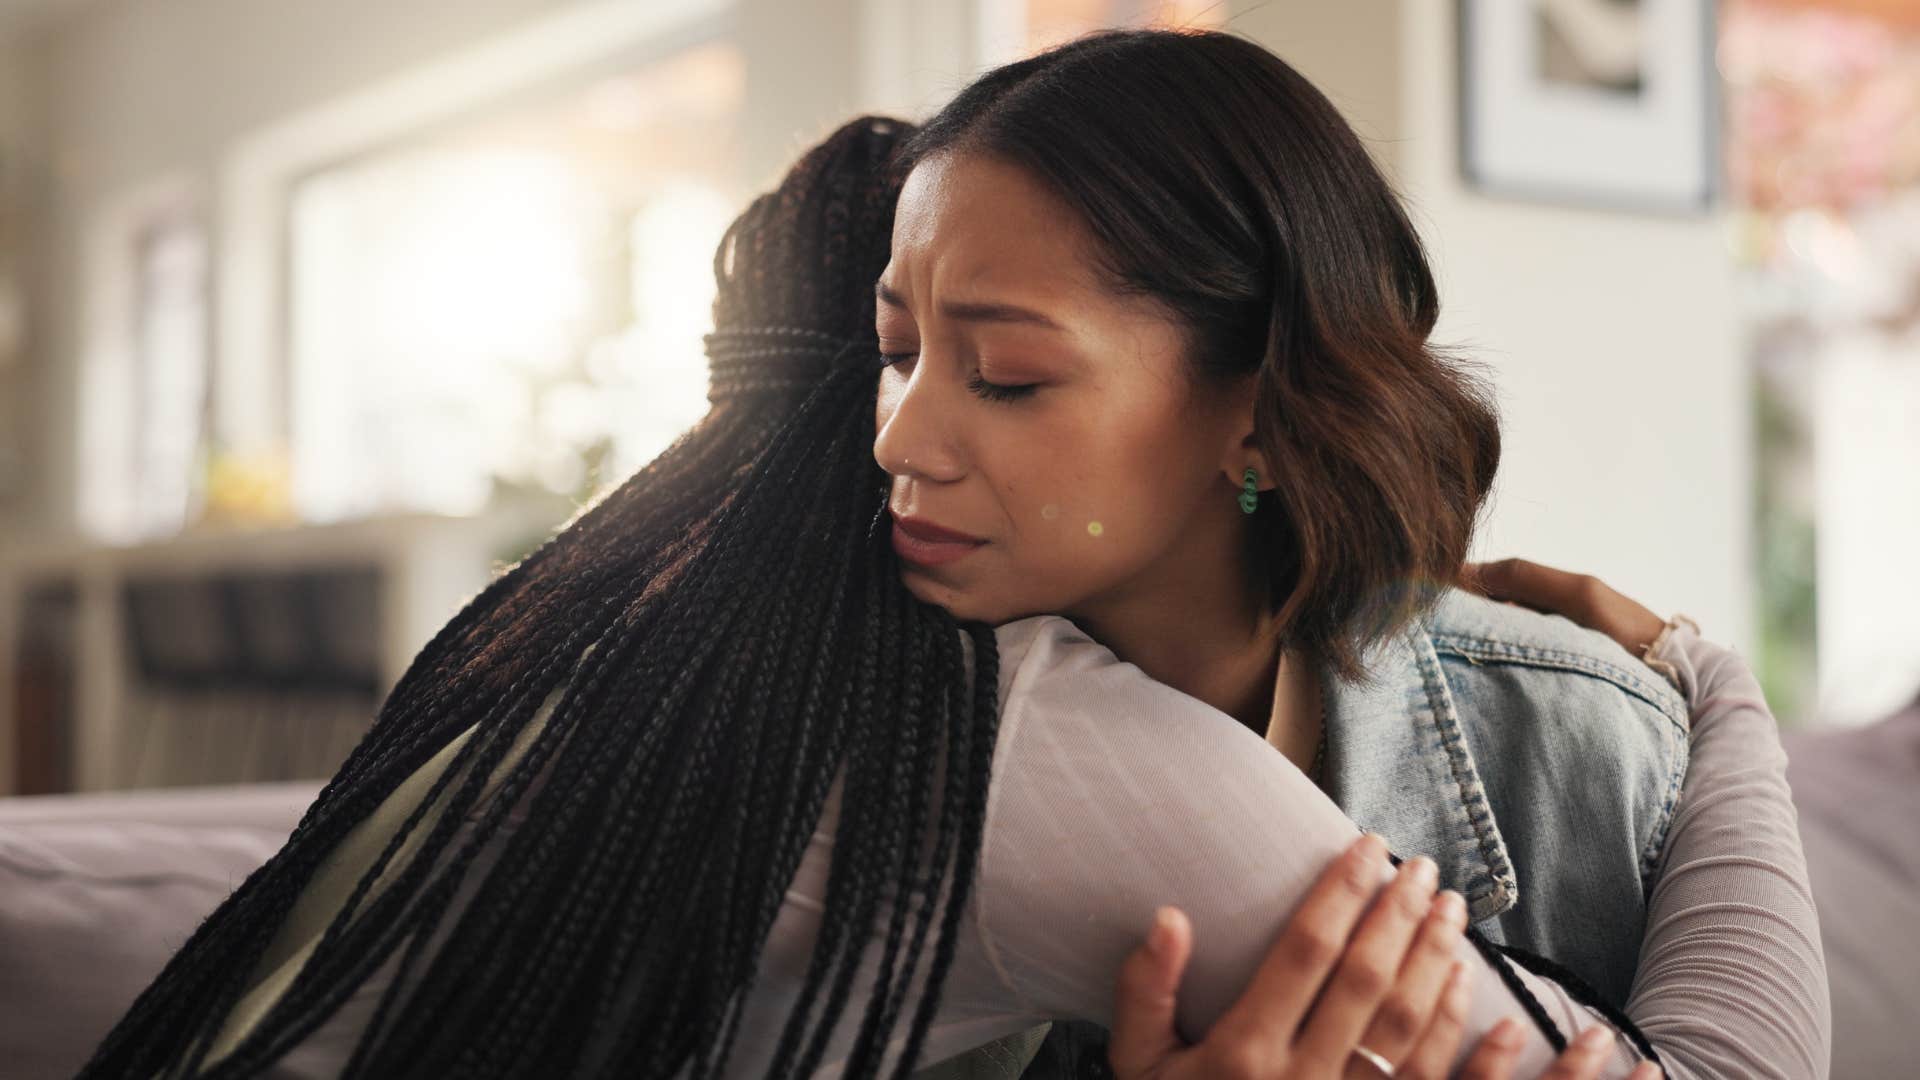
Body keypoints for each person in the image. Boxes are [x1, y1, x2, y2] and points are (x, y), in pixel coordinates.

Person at [76, 101, 1821, 1080]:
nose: (897, 442)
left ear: (1260, 413)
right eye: (895, 355)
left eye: (1005, 373)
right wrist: (1714, 678)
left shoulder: (1564, 739)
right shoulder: (1000, 738)